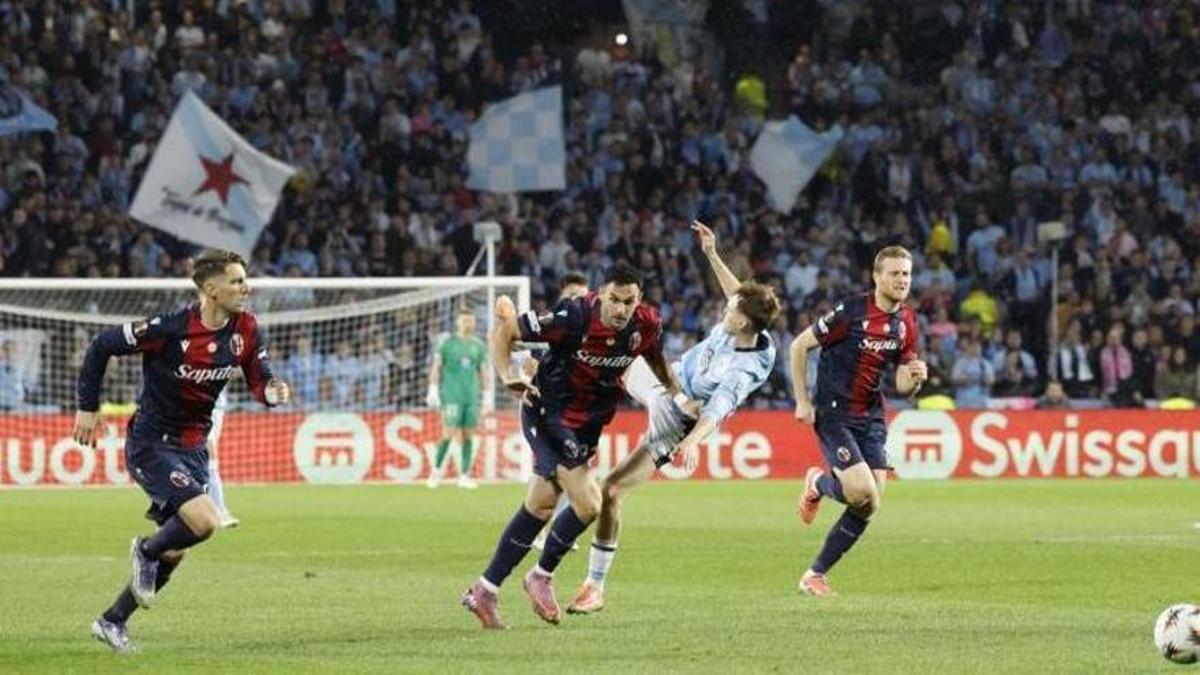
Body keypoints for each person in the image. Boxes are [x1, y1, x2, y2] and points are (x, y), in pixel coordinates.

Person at [77, 249, 290, 652]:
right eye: (237, 281)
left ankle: (112, 621)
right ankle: (143, 548)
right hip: (152, 443)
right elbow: (102, 344)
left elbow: (259, 379)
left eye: (245, 280)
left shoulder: (246, 327)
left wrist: (272, 391)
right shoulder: (171, 328)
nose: (246, 288)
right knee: (205, 521)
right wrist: (88, 407)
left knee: (176, 551)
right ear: (210, 289)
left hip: (194, 449)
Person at [566, 220, 780, 614]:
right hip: (669, 382)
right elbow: (739, 294)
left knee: (612, 490)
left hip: (678, 419)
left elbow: (716, 411)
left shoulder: (743, 370)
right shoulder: (746, 324)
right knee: (614, 359)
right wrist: (712, 253)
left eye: (730, 310)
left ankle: (594, 587)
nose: (724, 307)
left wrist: (692, 443)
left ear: (742, 321)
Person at [460, 263, 679, 629]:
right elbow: (505, 334)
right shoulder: (573, 315)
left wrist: (675, 396)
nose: (621, 309)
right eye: (614, 299)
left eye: (629, 301)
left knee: (541, 505)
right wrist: (509, 376)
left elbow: (655, 357)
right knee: (590, 502)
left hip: (588, 423)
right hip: (549, 413)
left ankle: (484, 590)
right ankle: (541, 576)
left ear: (639, 299)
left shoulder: (647, 323)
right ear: (600, 294)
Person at [789, 245, 927, 596]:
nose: (901, 280)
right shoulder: (850, 312)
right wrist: (803, 400)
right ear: (877, 277)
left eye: (906, 274)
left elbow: (901, 386)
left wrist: (914, 378)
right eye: (894, 273)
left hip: (872, 415)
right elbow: (798, 346)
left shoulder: (906, 322)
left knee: (870, 503)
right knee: (861, 491)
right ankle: (819, 484)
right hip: (835, 413)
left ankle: (815, 575)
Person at [530, 272, 590, 550]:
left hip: (582, 414)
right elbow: (530, 365)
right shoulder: (549, 327)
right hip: (551, 414)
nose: (577, 300)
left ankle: (555, 531)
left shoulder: (594, 332)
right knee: (550, 474)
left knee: (574, 472)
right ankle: (539, 533)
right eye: (572, 295)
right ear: (562, 297)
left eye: (582, 295)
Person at [425, 307, 489, 489]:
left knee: (469, 435)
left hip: (471, 396)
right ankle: (435, 472)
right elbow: (436, 367)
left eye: (471, 320)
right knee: (449, 432)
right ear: (458, 322)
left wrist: (486, 395)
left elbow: (482, 372)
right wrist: (433, 388)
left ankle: (464, 475)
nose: (469, 323)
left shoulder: (478, 345)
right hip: (451, 395)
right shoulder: (447, 343)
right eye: (465, 320)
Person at [206, 390, 238, 528]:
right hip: (200, 404)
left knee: (203, 459)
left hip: (218, 406)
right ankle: (219, 510)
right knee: (210, 456)